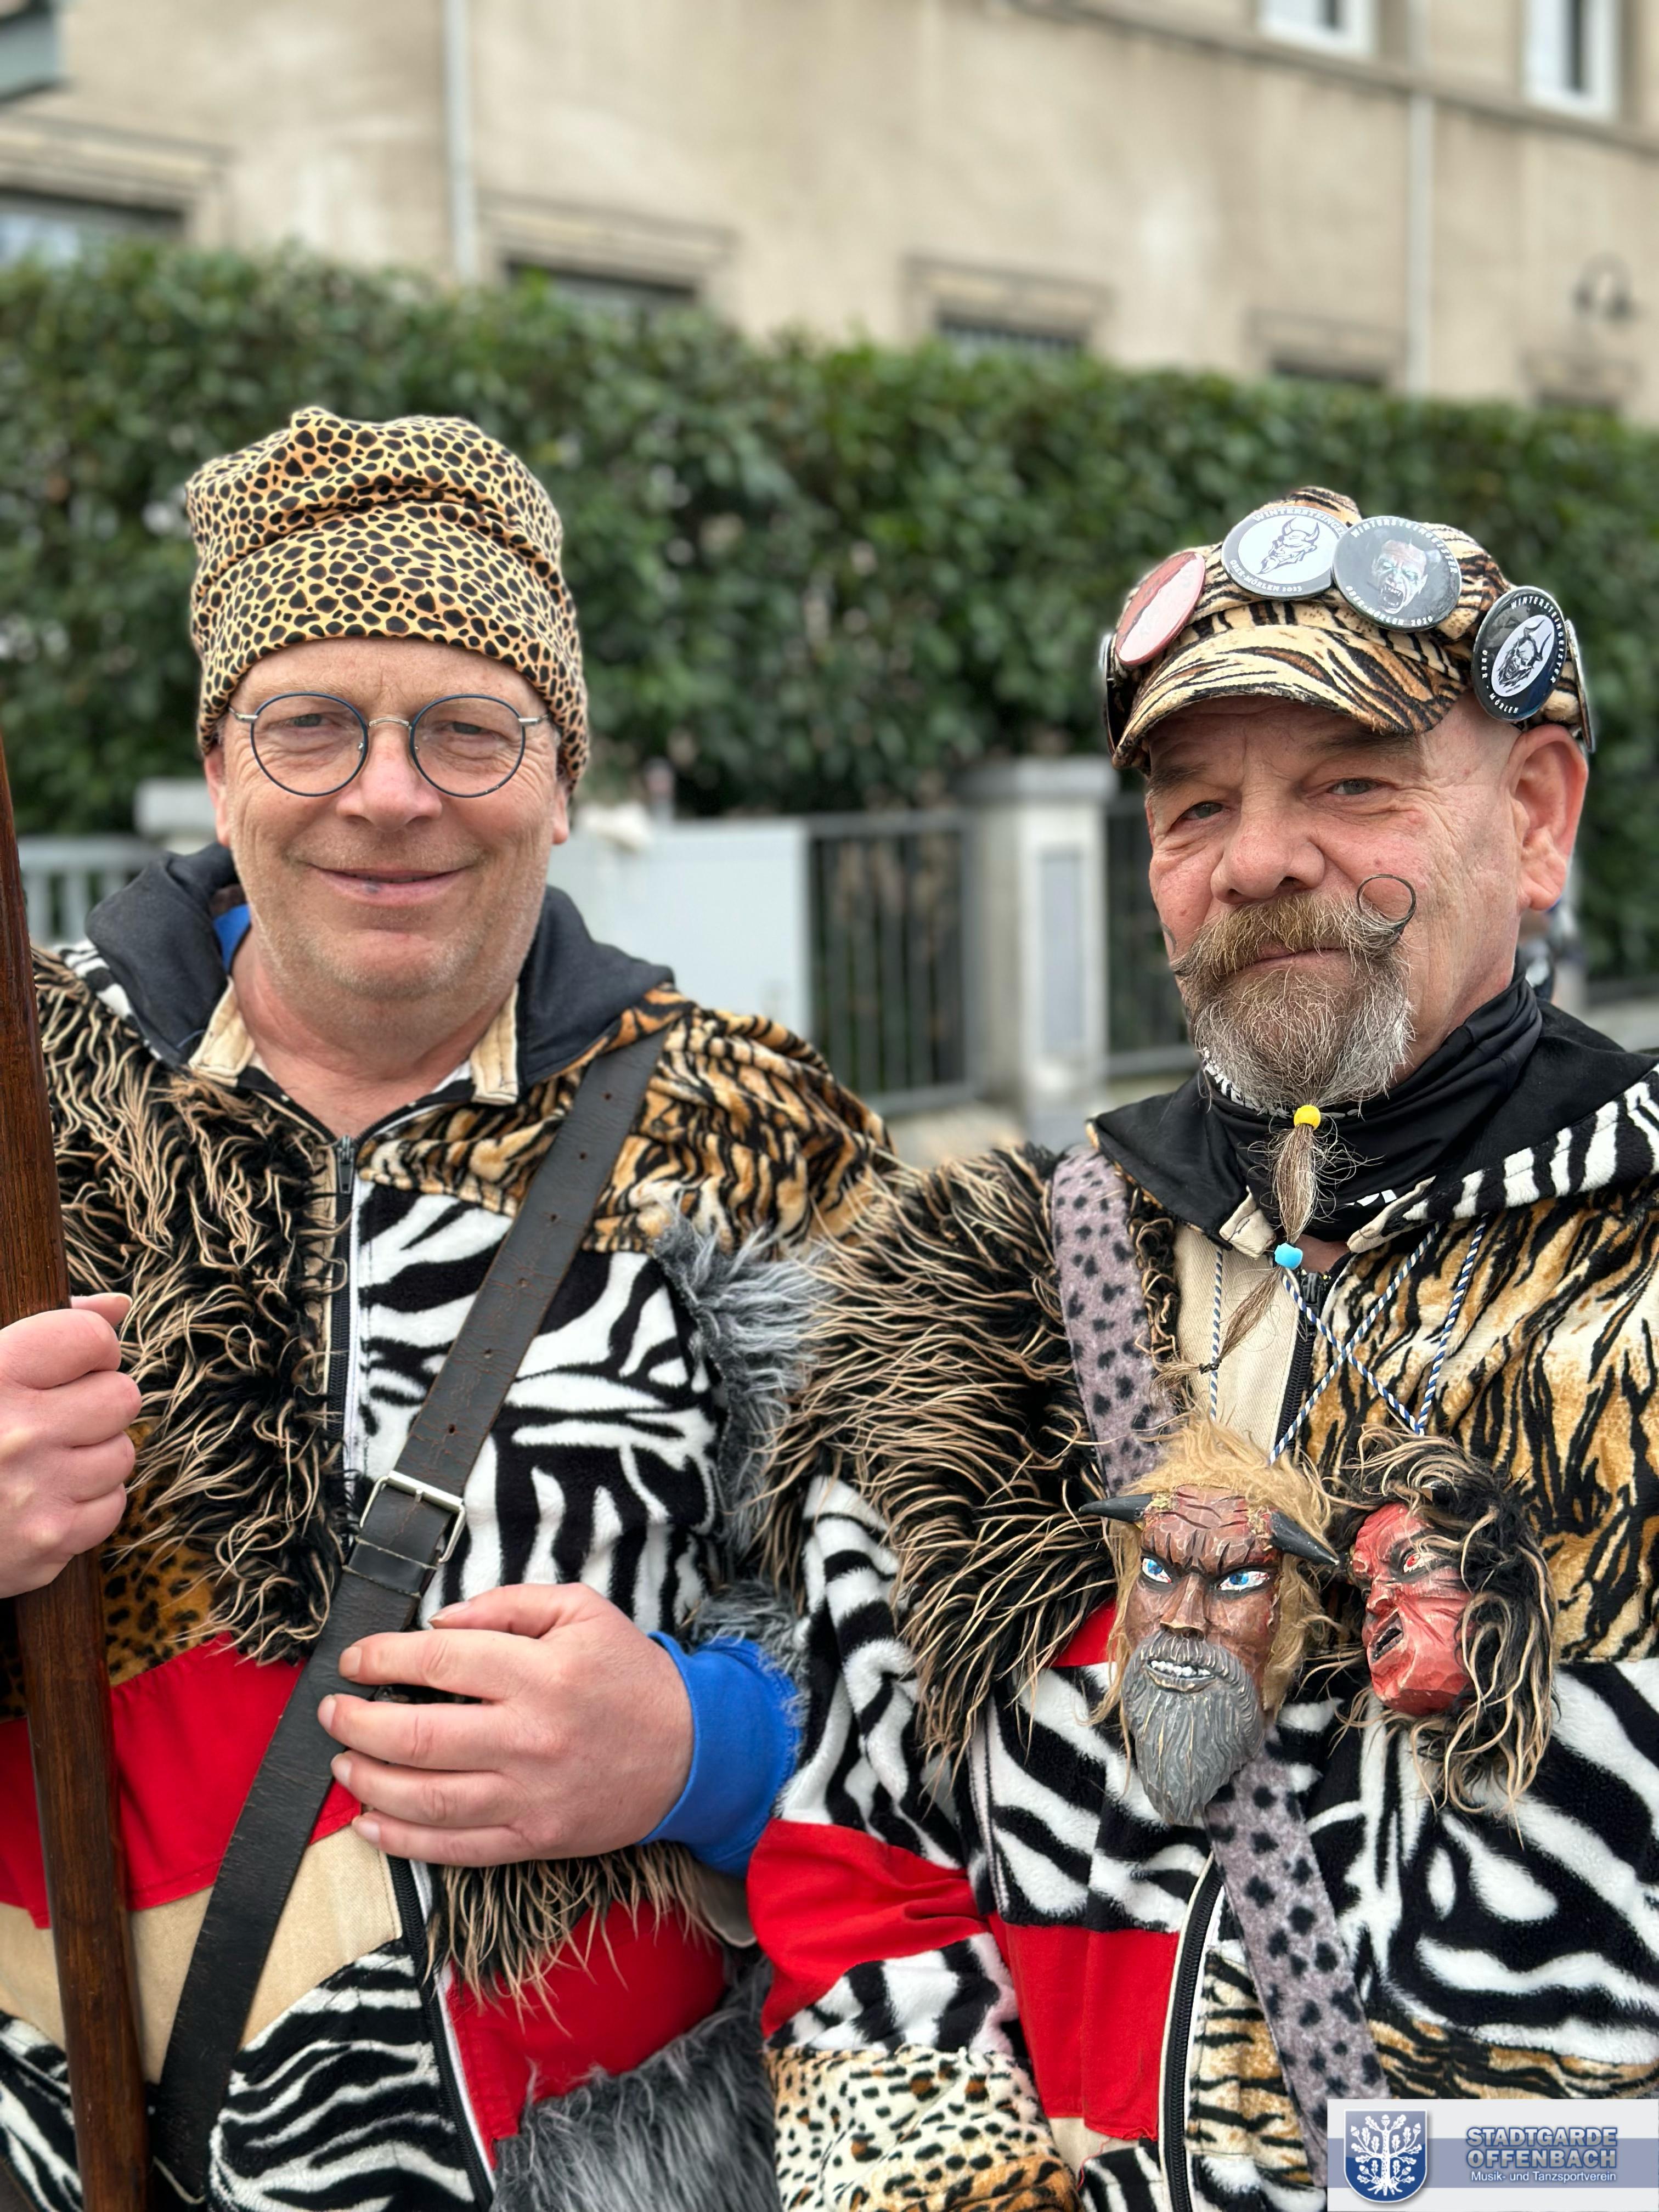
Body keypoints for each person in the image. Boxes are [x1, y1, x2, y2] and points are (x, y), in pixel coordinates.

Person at [0, 406, 884, 2211]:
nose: (389, 792)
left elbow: (974, 1682)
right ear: (220, 767)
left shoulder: (758, 1138)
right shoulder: (20, 1106)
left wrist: (706, 1749)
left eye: (469, 730)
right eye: (310, 723)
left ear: (562, 781)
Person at [749, 488, 1659, 2212]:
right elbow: (866, 1874)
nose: (1255, 862)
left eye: (1353, 784)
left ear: (1537, 816)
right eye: (1195, 808)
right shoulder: (978, 1313)